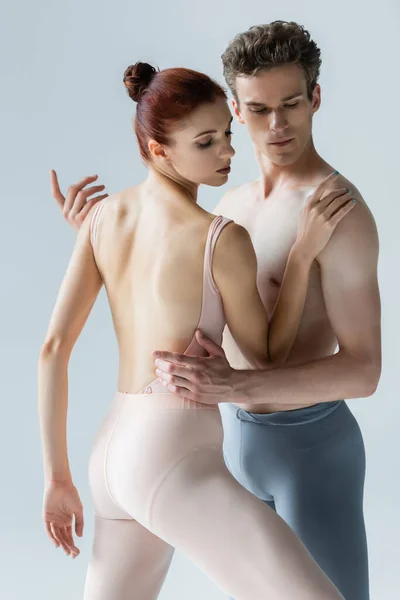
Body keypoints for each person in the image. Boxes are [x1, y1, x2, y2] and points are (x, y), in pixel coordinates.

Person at [55, 22, 381, 600]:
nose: (276, 125)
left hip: (311, 450)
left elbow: (364, 370)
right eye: (257, 109)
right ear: (235, 107)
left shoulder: (337, 212)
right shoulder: (227, 206)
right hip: (231, 443)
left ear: (317, 98)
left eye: (291, 104)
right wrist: (96, 237)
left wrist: (237, 385)